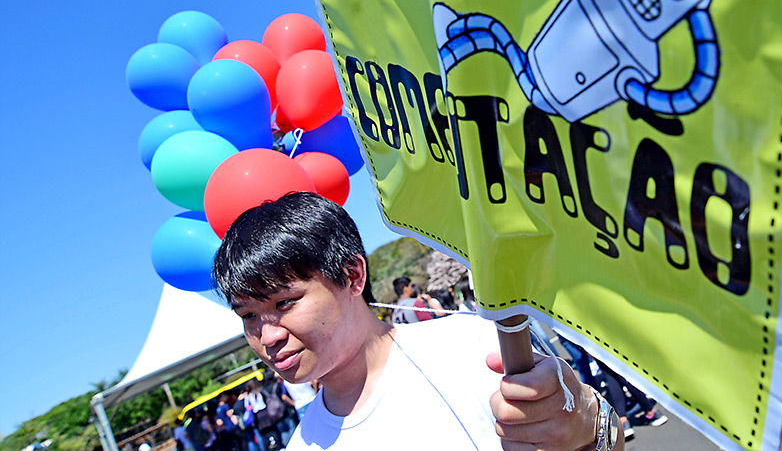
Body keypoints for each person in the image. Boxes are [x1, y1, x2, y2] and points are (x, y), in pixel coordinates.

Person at [212, 191, 618, 450]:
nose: (267, 336)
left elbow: (605, 439)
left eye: (285, 303)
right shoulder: (303, 444)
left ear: (352, 276)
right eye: (248, 315)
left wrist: (585, 427)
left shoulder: (469, 349)